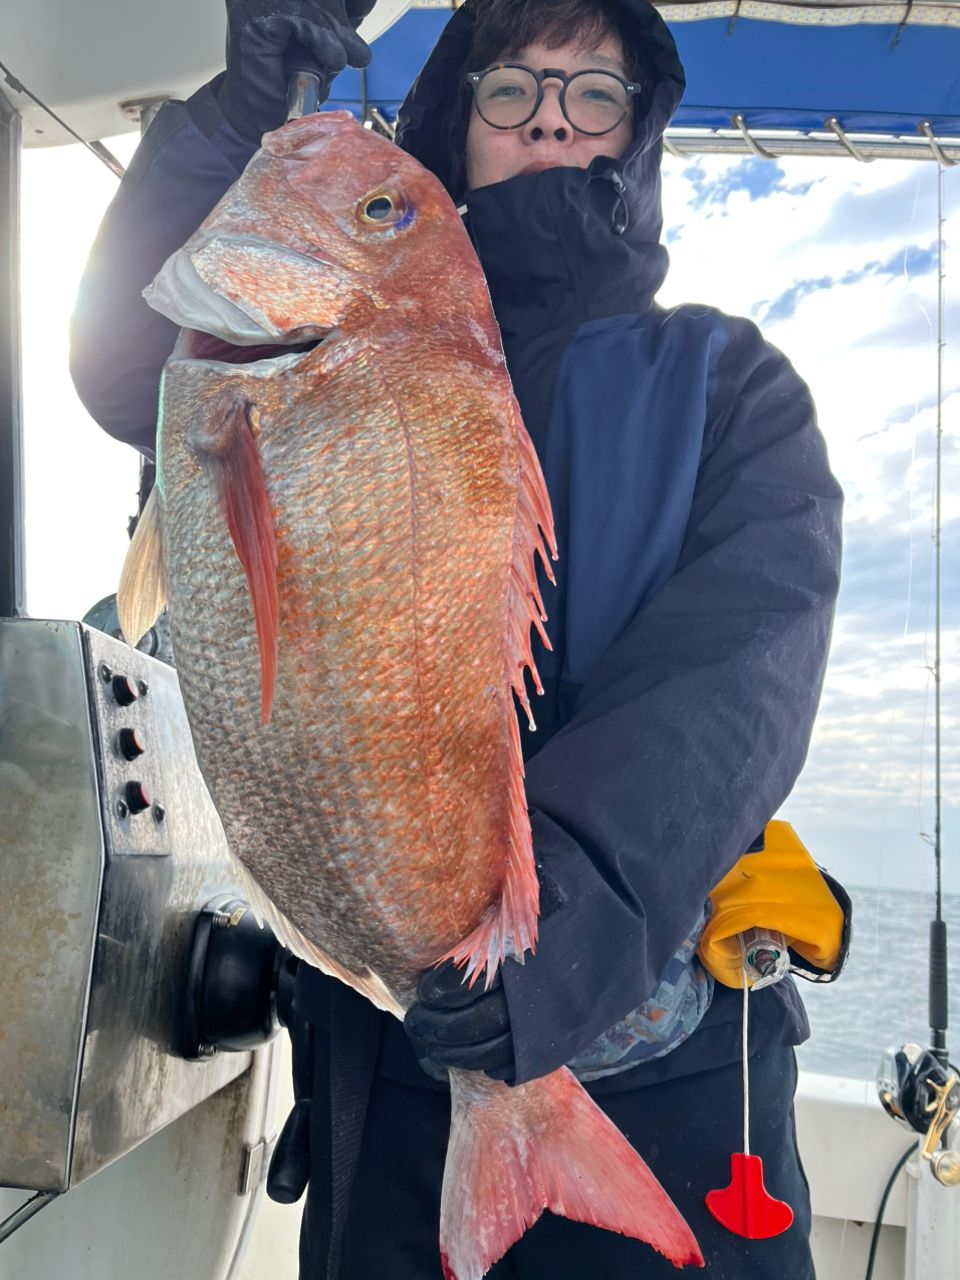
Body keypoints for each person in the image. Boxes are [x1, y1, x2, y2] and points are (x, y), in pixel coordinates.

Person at [70, 1, 845, 1276]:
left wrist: (544, 954)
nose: (550, 113)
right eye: (512, 86)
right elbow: (121, 362)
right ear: (453, 117)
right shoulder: (270, 353)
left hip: (662, 1076)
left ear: (635, 136)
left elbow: (735, 683)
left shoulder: (726, 383)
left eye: (593, 92)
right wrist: (239, 116)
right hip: (382, 1063)